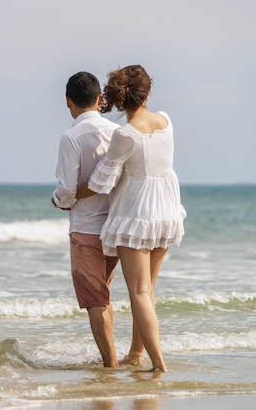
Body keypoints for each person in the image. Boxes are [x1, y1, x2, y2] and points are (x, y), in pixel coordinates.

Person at [77, 65, 186, 372]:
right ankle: (136, 355)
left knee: (138, 292)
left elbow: (101, 182)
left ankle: (159, 365)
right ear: (147, 92)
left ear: (118, 98)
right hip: (165, 211)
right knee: (147, 290)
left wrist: (69, 195)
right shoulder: (166, 121)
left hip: (137, 214)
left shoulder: (126, 134)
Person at [52, 71, 121, 367]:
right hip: (117, 225)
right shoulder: (118, 132)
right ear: (99, 99)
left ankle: (110, 365)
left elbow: (66, 190)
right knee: (103, 295)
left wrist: (58, 201)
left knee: (95, 300)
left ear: (68, 102)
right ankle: (112, 357)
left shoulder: (71, 137)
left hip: (87, 228)